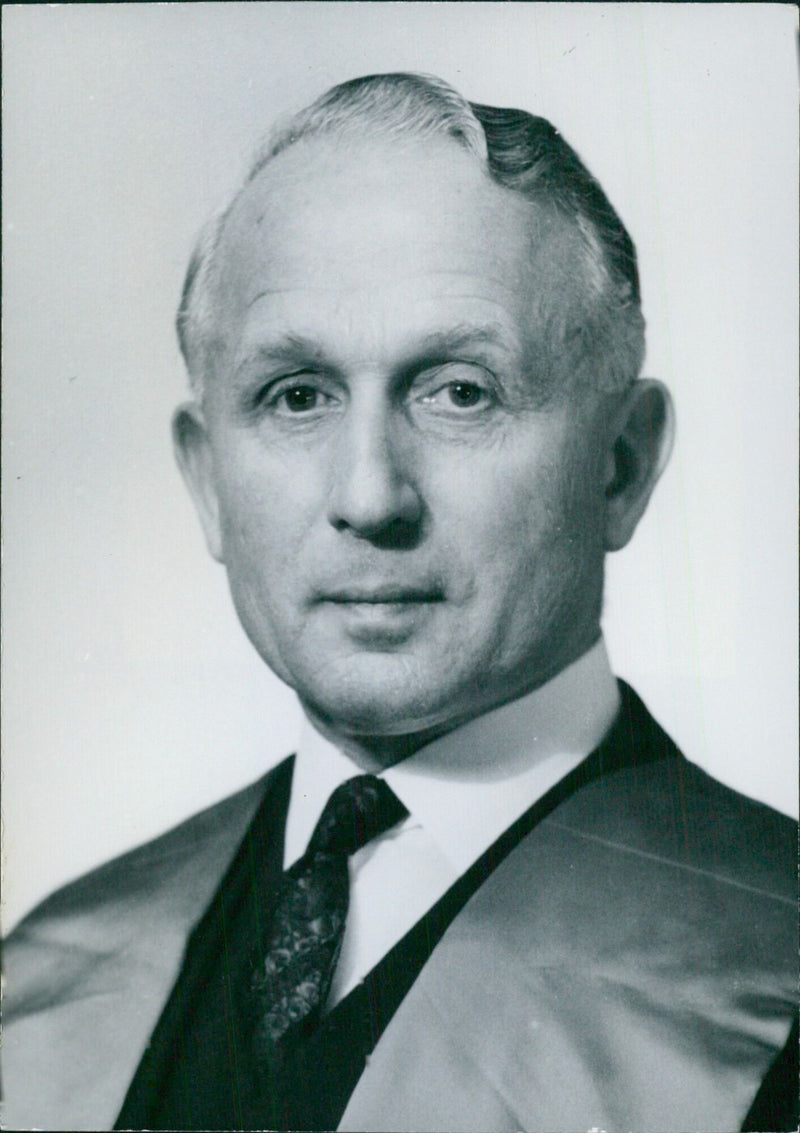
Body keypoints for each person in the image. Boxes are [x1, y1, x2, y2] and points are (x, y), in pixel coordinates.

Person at [2, 73, 796, 1133]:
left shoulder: (766, 971)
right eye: (296, 396)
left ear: (620, 464)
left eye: (458, 390)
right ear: (206, 483)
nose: (368, 494)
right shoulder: (49, 976)